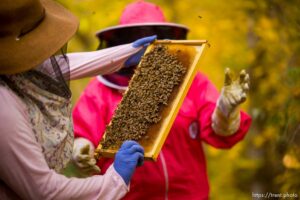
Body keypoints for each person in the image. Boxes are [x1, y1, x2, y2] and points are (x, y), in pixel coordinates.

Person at [72, 1, 252, 199]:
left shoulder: (192, 81)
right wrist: (80, 148)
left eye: (153, 35)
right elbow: (82, 132)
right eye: (137, 37)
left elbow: (217, 130)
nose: (146, 46)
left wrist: (226, 110)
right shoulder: (99, 90)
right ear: (121, 42)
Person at [0, 0, 157, 199]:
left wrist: (127, 53)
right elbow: (45, 191)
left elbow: (55, 66)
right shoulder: (3, 107)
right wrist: (115, 179)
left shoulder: (13, 67)